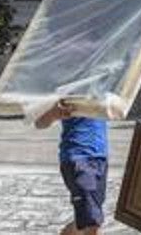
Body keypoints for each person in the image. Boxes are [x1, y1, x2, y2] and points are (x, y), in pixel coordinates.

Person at [35, 100, 109, 235]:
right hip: (77, 158)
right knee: (93, 223)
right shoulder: (68, 90)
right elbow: (39, 122)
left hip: (100, 157)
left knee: (88, 217)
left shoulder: (101, 87)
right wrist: (53, 113)